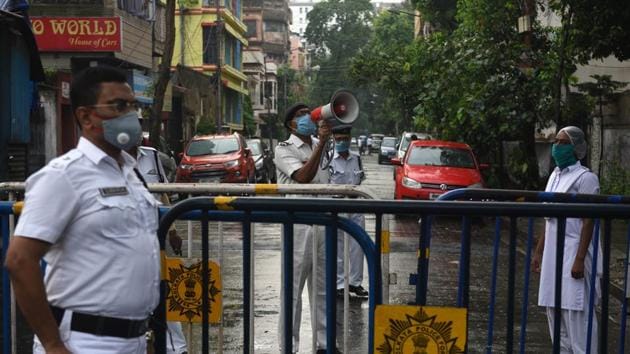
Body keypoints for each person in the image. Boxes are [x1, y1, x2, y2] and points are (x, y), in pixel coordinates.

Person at [4, 66, 160, 354]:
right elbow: (19, 259)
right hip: (84, 342)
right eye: (118, 106)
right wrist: (53, 344)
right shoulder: (63, 176)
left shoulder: (129, 171)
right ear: (86, 116)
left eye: (132, 106)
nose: (130, 115)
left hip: (135, 339)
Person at [532, 126, 601, 354]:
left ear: (576, 148)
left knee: (576, 313)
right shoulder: (555, 176)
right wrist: (539, 251)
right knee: (554, 310)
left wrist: (580, 259)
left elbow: (588, 222)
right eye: (556, 142)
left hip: (574, 251)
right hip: (553, 253)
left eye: (563, 143)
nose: (557, 147)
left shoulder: (586, 178)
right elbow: (548, 217)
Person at [274, 103, 336, 354]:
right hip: (297, 224)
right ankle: (289, 345)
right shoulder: (283, 149)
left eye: (308, 114)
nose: (307, 118)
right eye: (301, 115)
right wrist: (320, 144)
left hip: (322, 222)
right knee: (293, 289)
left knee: (322, 288)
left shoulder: (318, 144)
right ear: (291, 124)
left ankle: (323, 344)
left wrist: (321, 141)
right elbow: (302, 177)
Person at [127, 140, 187, 354]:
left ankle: (176, 348)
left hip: (155, 234)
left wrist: (172, 230)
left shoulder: (152, 156)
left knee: (165, 290)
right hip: (125, 241)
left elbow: (163, 193)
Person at [328, 125, 368, 299]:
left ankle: (355, 283)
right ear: (333, 139)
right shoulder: (329, 159)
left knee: (357, 246)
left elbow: (360, 180)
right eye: (338, 139)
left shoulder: (357, 159)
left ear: (350, 138)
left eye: (345, 138)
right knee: (339, 247)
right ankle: (339, 285)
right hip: (337, 206)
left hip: (356, 206)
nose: (342, 141)